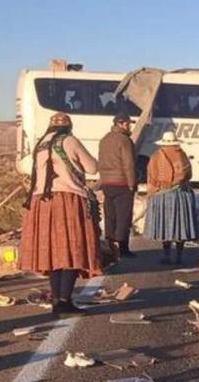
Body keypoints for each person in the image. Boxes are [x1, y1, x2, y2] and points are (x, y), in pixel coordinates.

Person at [18, 112, 102, 318]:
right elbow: (92, 167)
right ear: (68, 126)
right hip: (67, 199)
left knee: (54, 253)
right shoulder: (69, 141)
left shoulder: (41, 144)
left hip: (41, 202)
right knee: (73, 248)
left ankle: (57, 300)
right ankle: (64, 301)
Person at [144, 131, 199, 265]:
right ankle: (179, 256)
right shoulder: (181, 155)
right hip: (180, 195)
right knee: (181, 225)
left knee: (166, 225)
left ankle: (166, 254)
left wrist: (152, 192)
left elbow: (152, 177)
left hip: (162, 195)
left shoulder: (156, 156)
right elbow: (188, 174)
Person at [98, 112, 137, 258]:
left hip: (107, 183)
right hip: (122, 183)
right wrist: (132, 184)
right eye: (127, 123)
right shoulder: (124, 140)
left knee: (110, 215)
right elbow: (129, 164)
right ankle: (123, 248)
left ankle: (110, 245)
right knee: (123, 216)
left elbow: (100, 161)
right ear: (119, 124)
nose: (129, 126)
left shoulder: (104, 139)